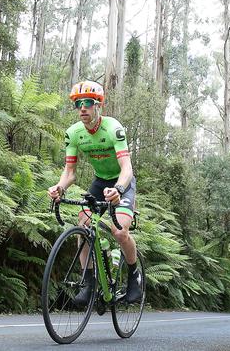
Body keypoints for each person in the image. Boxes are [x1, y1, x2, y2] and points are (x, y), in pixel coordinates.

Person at [47, 80, 142, 305]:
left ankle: (134, 276)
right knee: (83, 225)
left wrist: (119, 189)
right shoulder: (74, 133)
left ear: (98, 105)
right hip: (100, 182)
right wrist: (59, 188)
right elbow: (69, 172)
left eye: (88, 102)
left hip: (122, 181)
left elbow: (127, 168)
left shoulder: (113, 129)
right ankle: (89, 283)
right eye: (78, 103)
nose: (83, 107)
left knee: (119, 232)